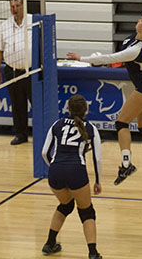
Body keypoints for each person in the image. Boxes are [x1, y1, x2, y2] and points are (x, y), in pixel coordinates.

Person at [67, 1, 142, 185]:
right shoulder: (137, 37)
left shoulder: (135, 50)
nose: (140, 19)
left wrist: (81, 58)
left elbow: (109, 58)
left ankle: (126, 164)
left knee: (121, 122)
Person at [41, 94, 103, 259]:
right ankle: (93, 253)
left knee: (66, 205)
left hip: (55, 172)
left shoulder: (57, 124)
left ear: (68, 109)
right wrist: (97, 181)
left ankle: (49, 243)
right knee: (87, 212)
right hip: (76, 171)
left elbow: (45, 153)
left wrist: (54, 168)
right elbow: (97, 158)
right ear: (86, 110)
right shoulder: (91, 128)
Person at [0, 0, 32, 145]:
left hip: (30, 70)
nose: (14, 9)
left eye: (17, 6)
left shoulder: (33, 21)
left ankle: (43, 134)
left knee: (36, 102)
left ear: (23, 6)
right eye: (11, 7)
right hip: (12, 70)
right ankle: (20, 134)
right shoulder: (4, 25)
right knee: (17, 104)